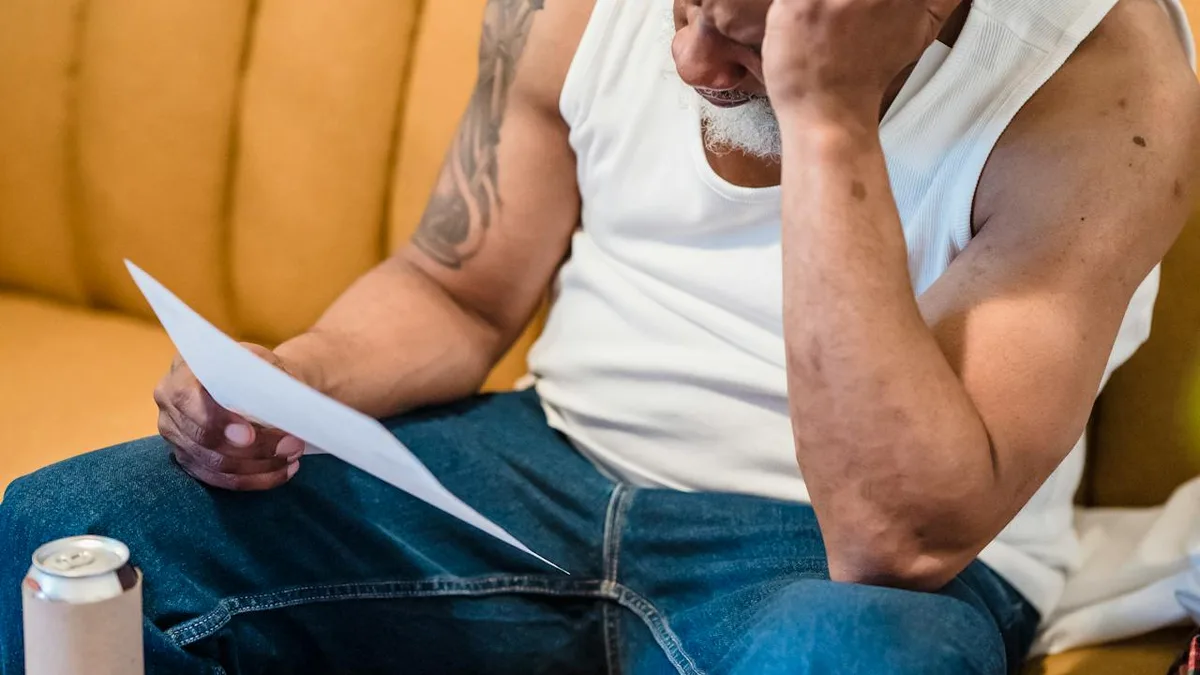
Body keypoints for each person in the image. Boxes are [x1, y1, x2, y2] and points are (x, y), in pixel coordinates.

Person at [3, 0, 1198, 672]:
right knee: (59, 543)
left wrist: (826, 111)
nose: (688, 58)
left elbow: (899, 540)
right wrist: (291, 379)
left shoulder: (1101, 82)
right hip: (539, 476)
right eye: (681, 5)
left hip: (829, 572)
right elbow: (455, 289)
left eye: (741, 31)